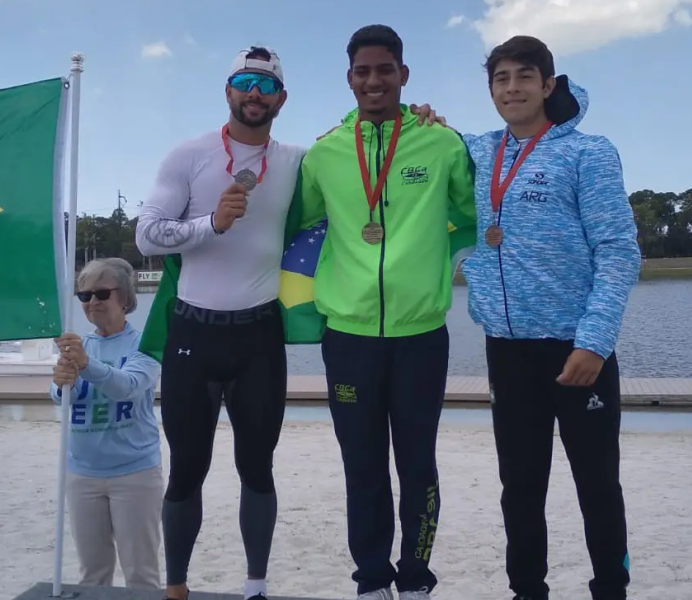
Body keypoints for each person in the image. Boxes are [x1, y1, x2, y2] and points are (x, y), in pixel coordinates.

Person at [133, 45, 448, 600]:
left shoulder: (302, 160)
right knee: (187, 470)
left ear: (282, 99)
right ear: (227, 91)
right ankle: (176, 587)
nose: (254, 94)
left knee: (258, 470)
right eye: (243, 82)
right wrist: (211, 223)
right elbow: (146, 234)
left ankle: (256, 586)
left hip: (258, 337)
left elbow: (358, 160)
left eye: (266, 86)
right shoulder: (189, 155)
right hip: (192, 334)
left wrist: (421, 118)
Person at [291, 24, 476, 600]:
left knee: (418, 464)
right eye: (363, 72)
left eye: (385, 69)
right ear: (349, 79)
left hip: (422, 333)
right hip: (347, 335)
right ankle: (371, 580)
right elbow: (297, 222)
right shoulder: (323, 154)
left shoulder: (441, 144)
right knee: (362, 466)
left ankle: (417, 579)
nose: (374, 80)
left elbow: (475, 210)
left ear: (404, 74)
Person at [458, 35, 642, 600]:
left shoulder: (589, 152)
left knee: (596, 485)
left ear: (548, 84)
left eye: (523, 76)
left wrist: (594, 342)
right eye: (500, 78)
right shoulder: (478, 150)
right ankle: (526, 592)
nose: (512, 88)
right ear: (490, 89)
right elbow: (426, 136)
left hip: (576, 349)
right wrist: (424, 116)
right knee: (520, 487)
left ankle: (611, 588)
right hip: (506, 349)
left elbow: (618, 250)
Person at [50, 257, 164, 590]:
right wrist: (61, 381)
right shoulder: (78, 345)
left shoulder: (145, 344)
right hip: (82, 474)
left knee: (141, 574)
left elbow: (127, 387)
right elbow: (60, 396)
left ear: (125, 297)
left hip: (135, 474)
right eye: (84, 296)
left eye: (101, 293)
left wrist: (86, 365)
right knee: (93, 575)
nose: (92, 302)